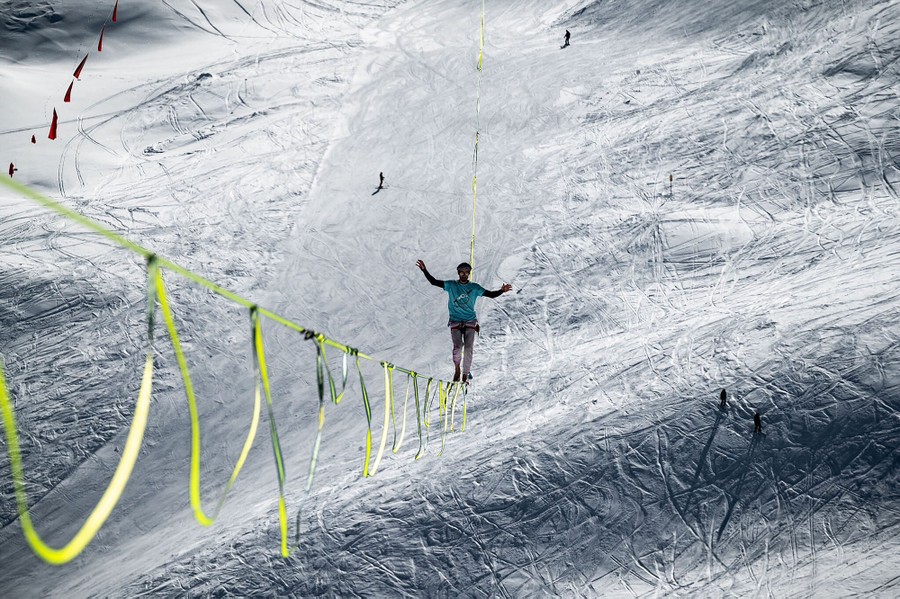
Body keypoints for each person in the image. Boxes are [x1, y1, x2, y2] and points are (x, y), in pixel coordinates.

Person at [416, 259, 512, 383]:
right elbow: (433, 282)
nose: (464, 274)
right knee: (457, 347)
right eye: (462, 272)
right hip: (455, 321)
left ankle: (465, 373)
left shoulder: (474, 287)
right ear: (458, 273)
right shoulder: (451, 285)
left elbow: (491, 295)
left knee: (468, 348)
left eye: (466, 272)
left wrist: (501, 291)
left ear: (469, 273)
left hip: (470, 321)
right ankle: (457, 368)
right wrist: (424, 270)